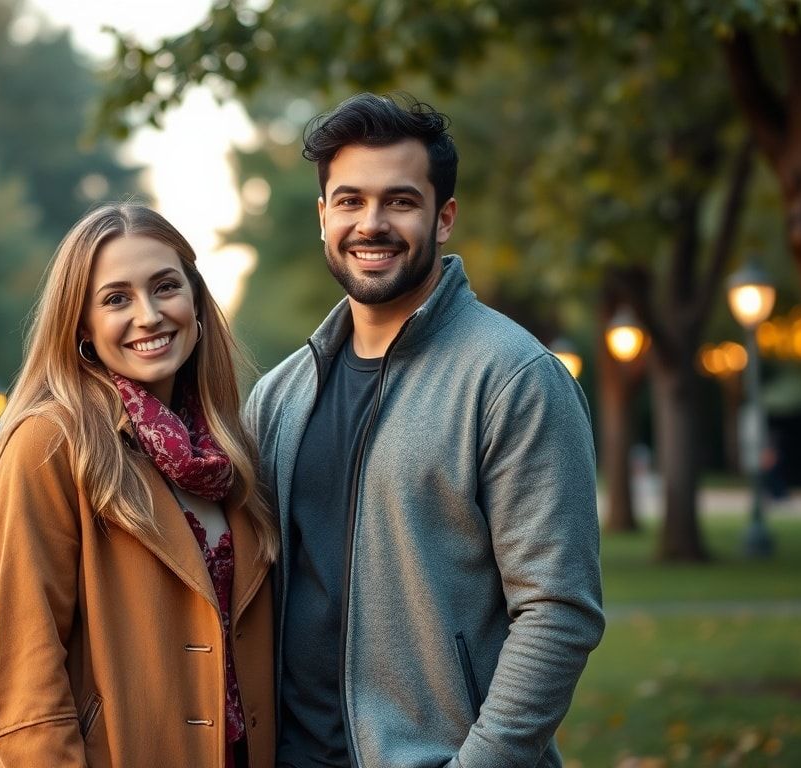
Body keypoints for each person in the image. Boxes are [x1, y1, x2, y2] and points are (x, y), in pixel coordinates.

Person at [244, 93, 605, 768]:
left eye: (399, 202)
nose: (371, 223)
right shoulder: (279, 396)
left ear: (443, 219)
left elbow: (559, 609)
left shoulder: (512, 377)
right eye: (349, 201)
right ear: (323, 218)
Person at [0, 203, 279, 768]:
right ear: (81, 323)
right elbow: (26, 688)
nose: (149, 314)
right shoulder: (50, 445)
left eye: (165, 287)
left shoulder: (228, 451)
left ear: (197, 302)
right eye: (116, 299)